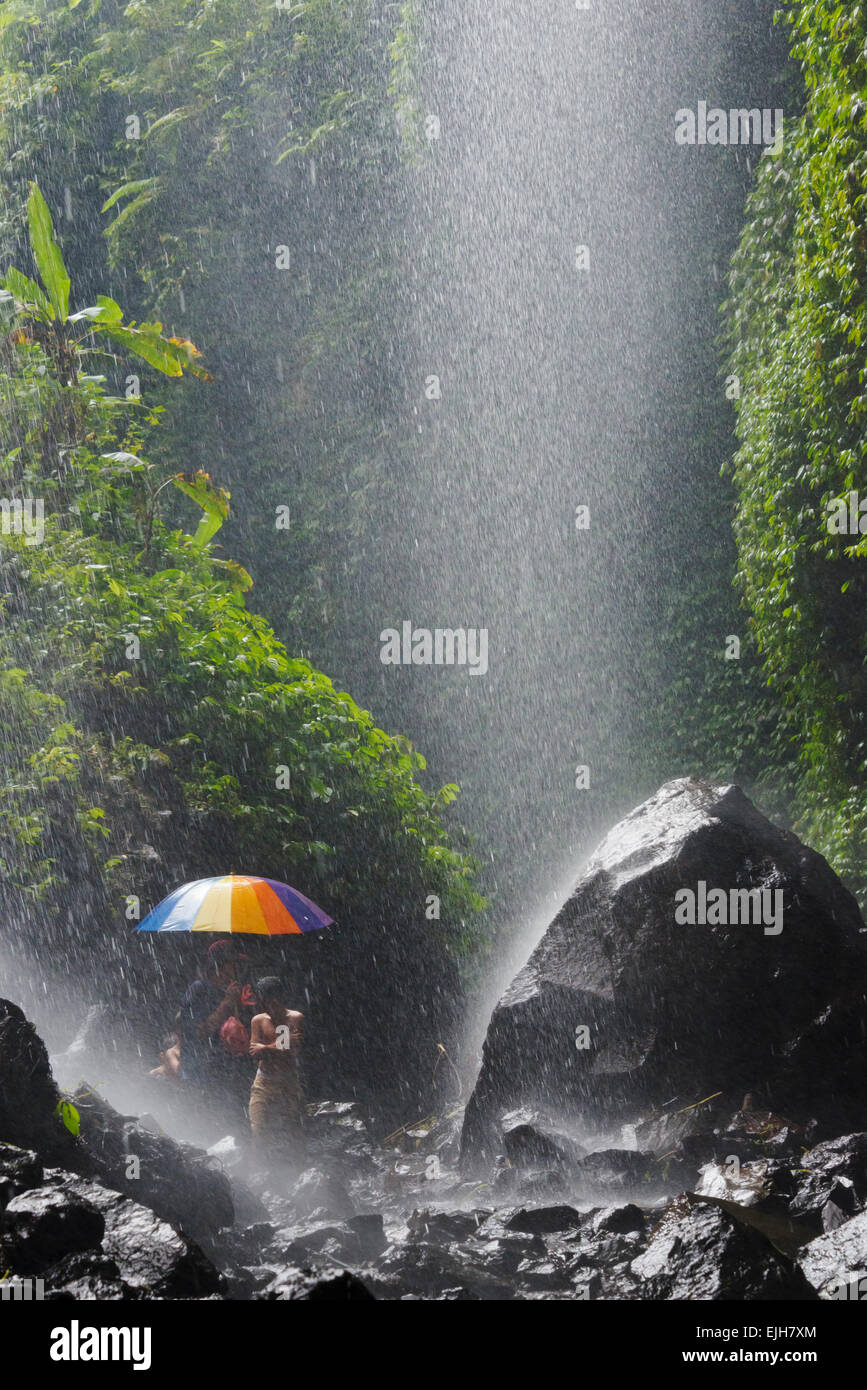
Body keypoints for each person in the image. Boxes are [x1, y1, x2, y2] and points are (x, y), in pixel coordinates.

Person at [176, 939, 255, 1130]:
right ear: (221, 965)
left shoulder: (228, 992)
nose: (237, 968)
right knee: (209, 1129)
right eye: (233, 963)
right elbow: (197, 1032)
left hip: (227, 1075)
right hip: (203, 1076)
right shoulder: (199, 990)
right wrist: (227, 1003)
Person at [248, 976, 305, 1165]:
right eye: (265, 1001)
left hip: (288, 1081)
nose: (270, 1006)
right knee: (258, 1127)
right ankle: (259, 1169)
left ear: (281, 998)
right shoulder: (258, 1020)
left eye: (274, 1001)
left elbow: (291, 1050)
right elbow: (255, 1052)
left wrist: (266, 1048)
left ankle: (296, 1167)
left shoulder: (294, 1017)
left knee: (293, 1127)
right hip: (264, 1081)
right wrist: (276, 1046)